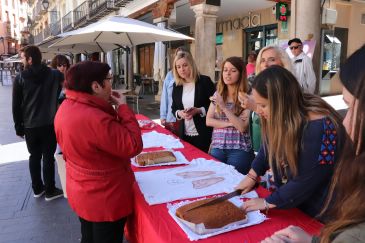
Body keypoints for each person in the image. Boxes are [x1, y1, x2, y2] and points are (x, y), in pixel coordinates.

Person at [261, 45, 365, 243]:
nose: (344, 121)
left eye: (351, 107)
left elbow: (310, 175)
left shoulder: (320, 125)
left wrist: (269, 201)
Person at [235, 65, 344, 218]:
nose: (258, 110)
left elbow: (307, 179)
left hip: (322, 211)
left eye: (263, 105)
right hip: (296, 201)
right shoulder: (286, 114)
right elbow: (269, 146)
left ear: (282, 101)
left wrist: (268, 202)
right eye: (257, 103)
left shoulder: (321, 127)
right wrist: (253, 174)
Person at [54, 61, 143, 243]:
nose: (112, 83)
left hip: (83, 191)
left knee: (88, 236)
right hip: (104, 197)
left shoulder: (66, 107)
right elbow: (133, 144)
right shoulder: (95, 118)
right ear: (95, 86)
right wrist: (123, 108)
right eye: (109, 79)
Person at [12, 45, 64, 201]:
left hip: (30, 126)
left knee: (34, 156)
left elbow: (16, 106)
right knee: (48, 157)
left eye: (23, 57)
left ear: (30, 59)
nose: (22, 60)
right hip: (49, 124)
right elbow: (64, 92)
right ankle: (50, 190)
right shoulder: (54, 74)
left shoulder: (20, 78)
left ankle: (37, 189)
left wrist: (18, 127)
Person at [240, 45, 294, 152]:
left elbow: (286, 123)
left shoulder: (289, 88)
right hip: (258, 149)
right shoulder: (254, 86)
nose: (266, 64)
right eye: (262, 60)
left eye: (272, 60)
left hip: (280, 151)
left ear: (283, 63)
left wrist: (255, 107)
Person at [206, 56, 254, 174]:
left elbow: (243, 127)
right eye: (225, 70)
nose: (228, 74)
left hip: (239, 149)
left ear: (241, 73)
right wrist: (232, 123)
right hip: (217, 147)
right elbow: (208, 121)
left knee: (236, 187)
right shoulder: (218, 93)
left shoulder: (247, 95)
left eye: (233, 71)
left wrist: (223, 107)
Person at [171, 51, 215, 153]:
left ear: (191, 65)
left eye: (185, 65)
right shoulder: (176, 85)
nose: (182, 69)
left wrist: (199, 110)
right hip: (184, 134)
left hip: (203, 134)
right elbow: (174, 108)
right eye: (178, 67)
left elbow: (216, 106)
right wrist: (180, 113)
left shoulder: (205, 81)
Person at [160, 46, 189, 134]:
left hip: (187, 119)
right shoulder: (169, 75)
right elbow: (164, 97)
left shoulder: (192, 78)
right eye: (178, 55)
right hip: (171, 117)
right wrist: (163, 115)